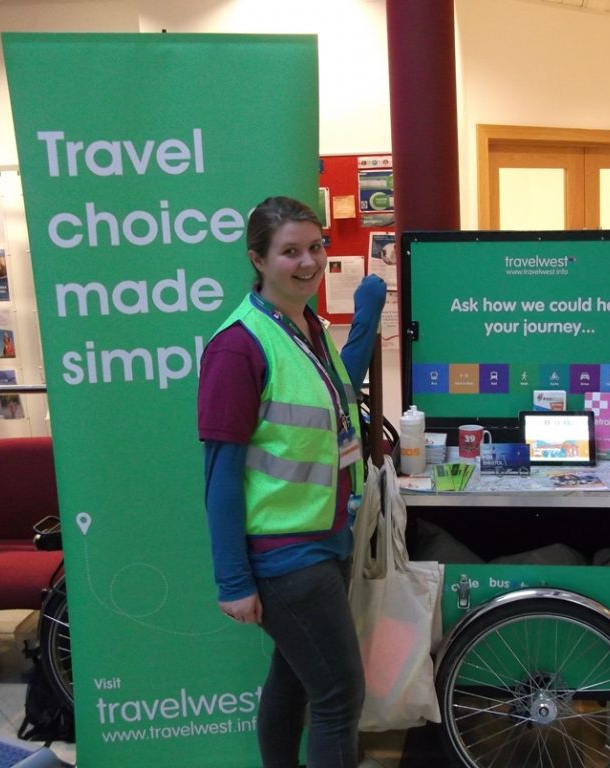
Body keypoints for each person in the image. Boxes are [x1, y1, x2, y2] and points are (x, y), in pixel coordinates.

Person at [197, 195, 386, 768]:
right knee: (339, 696)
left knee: (297, 681)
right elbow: (220, 474)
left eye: (316, 246)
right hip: (284, 553)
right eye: (290, 252)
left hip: (324, 539)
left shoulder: (304, 327)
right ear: (257, 258)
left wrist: (368, 319)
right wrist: (232, 580)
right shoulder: (238, 346)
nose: (310, 262)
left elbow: (335, 390)